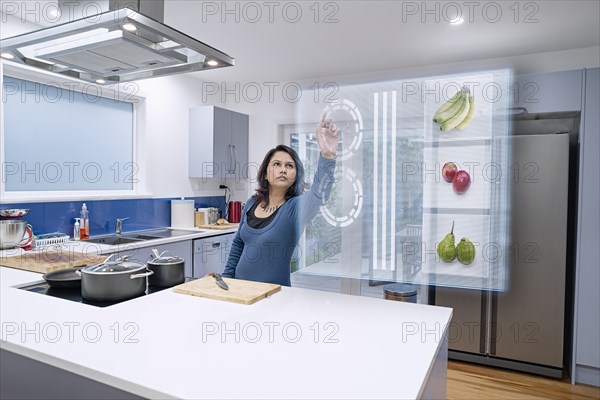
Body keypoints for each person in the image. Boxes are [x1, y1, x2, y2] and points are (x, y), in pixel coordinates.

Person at [222, 113, 340, 286]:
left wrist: (327, 155)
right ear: (266, 172)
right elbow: (239, 244)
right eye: (277, 164)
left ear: (296, 175)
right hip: (239, 289)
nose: (283, 169)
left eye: (289, 166)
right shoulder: (251, 203)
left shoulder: (295, 208)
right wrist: (226, 279)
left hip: (274, 295)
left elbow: (318, 195)